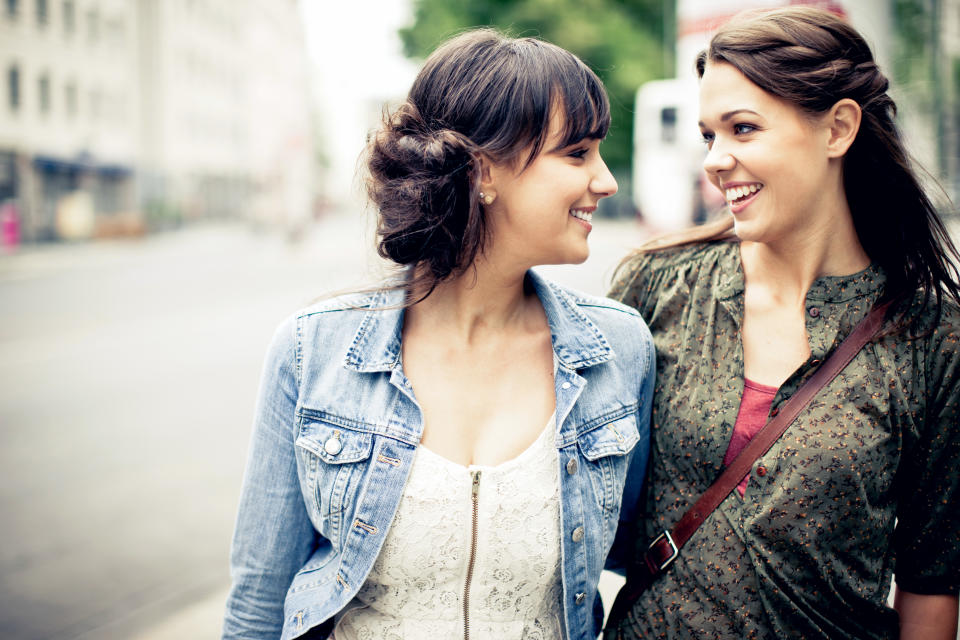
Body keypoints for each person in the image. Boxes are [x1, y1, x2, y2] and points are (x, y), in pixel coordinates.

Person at [222, 29, 655, 640]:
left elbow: (639, 558)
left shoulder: (619, 350)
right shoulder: (312, 350)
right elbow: (259, 602)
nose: (606, 181)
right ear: (483, 171)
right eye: (578, 153)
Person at [606, 7, 959, 640]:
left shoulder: (931, 336)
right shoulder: (658, 283)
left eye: (743, 129)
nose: (716, 160)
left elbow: (932, 584)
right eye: (709, 135)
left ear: (838, 129)